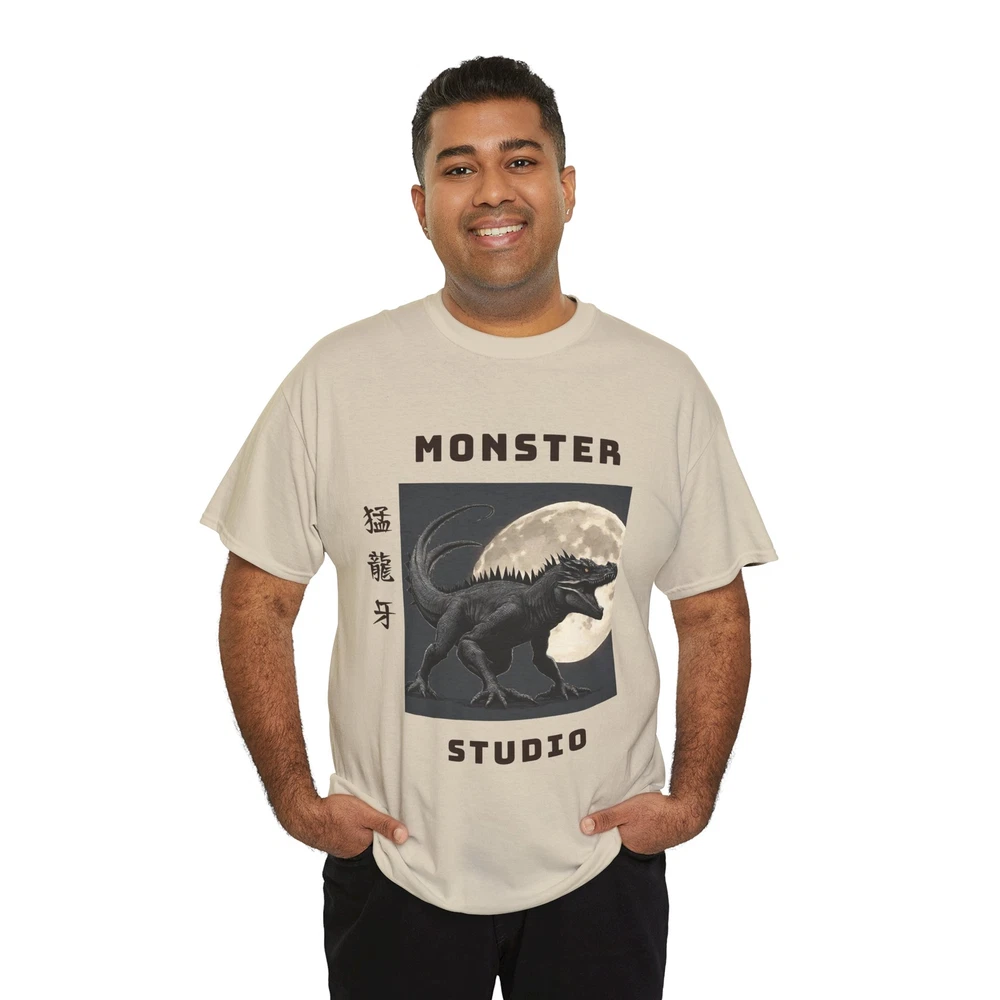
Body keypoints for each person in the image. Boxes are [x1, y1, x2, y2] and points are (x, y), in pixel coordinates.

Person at [199, 54, 778, 1000]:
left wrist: (692, 799)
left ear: (567, 187)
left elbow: (713, 610)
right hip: (395, 863)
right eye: (459, 167)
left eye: (520, 160)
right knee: (466, 642)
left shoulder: (662, 383)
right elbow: (257, 601)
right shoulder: (337, 377)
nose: (493, 191)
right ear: (421, 203)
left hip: (603, 861)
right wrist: (297, 801)